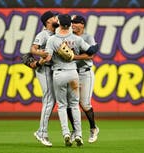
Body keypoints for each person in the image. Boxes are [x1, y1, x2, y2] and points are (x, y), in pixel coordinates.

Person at [44, 14, 97, 147]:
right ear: (69, 25)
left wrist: (38, 59)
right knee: (74, 105)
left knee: (62, 106)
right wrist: (96, 46)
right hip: (74, 74)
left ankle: (66, 133)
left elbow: (48, 58)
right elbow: (91, 50)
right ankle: (78, 134)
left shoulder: (52, 39)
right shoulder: (76, 39)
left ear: (59, 24)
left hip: (59, 74)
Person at [67, 15, 99, 143]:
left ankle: (93, 128)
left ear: (82, 24)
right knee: (70, 104)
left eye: (76, 22)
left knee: (85, 104)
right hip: (72, 73)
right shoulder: (68, 36)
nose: (73, 24)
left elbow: (90, 55)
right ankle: (75, 130)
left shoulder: (87, 37)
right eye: (71, 22)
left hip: (85, 73)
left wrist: (74, 57)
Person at [31, 11, 59, 147]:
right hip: (44, 70)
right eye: (54, 17)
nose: (56, 18)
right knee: (49, 100)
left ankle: (42, 131)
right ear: (48, 21)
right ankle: (41, 132)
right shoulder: (43, 34)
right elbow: (33, 49)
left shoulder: (57, 33)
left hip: (54, 70)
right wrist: (40, 52)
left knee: (52, 101)